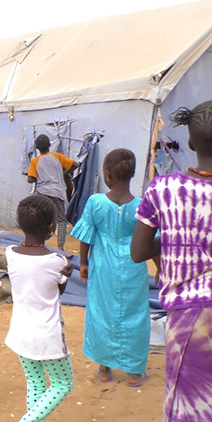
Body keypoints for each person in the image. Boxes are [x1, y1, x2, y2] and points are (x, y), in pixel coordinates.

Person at [131, 100, 212, 421]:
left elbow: (138, 252)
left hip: (191, 318)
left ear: (190, 142)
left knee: (190, 407)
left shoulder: (163, 188)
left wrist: (174, 237)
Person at [71, 148, 151, 387]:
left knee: (101, 312)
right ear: (133, 174)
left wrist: (84, 263)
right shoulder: (142, 205)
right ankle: (135, 371)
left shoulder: (95, 202)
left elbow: (86, 236)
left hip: (102, 266)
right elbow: (149, 240)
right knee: (136, 314)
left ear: (107, 175)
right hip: (134, 266)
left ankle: (104, 368)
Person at [5, 194, 74, 422]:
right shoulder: (57, 262)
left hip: (20, 333)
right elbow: (58, 291)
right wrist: (67, 273)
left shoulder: (10, 254)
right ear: (52, 227)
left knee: (35, 382)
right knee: (63, 384)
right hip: (46, 336)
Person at [27, 134, 79, 250]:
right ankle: (60, 246)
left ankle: (39, 243)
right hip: (57, 192)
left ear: (36, 147)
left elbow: (30, 179)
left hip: (42, 194)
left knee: (39, 218)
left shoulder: (35, 161)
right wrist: (63, 173)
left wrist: (37, 176)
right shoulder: (58, 157)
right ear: (50, 145)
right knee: (61, 219)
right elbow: (75, 165)